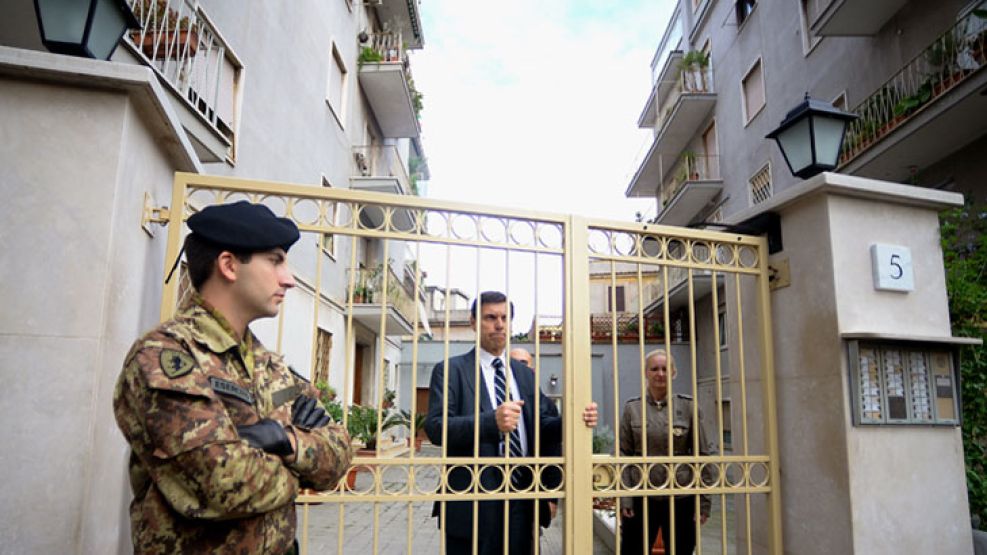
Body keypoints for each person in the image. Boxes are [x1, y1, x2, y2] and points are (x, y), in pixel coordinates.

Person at [113, 201, 353, 554]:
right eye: (275, 260)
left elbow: (339, 452)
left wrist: (284, 441)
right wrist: (301, 467)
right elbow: (224, 482)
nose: (288, 278)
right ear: (228, 265)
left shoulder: (269, 365)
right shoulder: (165, 357)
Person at [426, 291, 598, 555]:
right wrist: (490, 422)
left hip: (522, 499)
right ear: (473, 322)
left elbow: (542, 427)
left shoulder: (523, 375)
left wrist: (573, 422)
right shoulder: (450, 370)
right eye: (491, 317)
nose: (499, 324)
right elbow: (436, 428)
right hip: (472, 501)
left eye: (505, 318)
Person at [619, 349, 715, 555]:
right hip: (641, 495)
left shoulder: (688, 407)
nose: (660, 373)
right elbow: (623, 455)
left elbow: (702, 454)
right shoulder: (632, 409)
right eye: (654, 369)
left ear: (673, 372)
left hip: (680, 496)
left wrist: (704, 502)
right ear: (646, 372)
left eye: (665, 369)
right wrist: (625, 498)